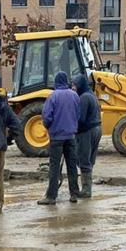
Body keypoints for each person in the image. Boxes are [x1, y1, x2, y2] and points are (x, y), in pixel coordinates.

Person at [38, 71, 81, 204]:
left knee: (55, 167)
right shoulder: (75, 96)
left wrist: (49, 127)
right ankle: (74, 194)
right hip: (71, 136)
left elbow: (46, 117)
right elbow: (78, 115)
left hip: (57, 137)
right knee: (72, 166)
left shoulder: (52, 97)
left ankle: (51, 196)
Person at [72, 74, 102, 198]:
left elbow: (81, 119)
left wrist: (73, 128)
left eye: (74, 85)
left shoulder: (84, 97)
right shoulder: (92, 95)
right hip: (97, 129)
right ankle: (87, 187)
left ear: (80, 85)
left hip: (87, 131)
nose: (73, 88)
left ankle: (86, 190)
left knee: (84, 159)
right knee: (90, 160)